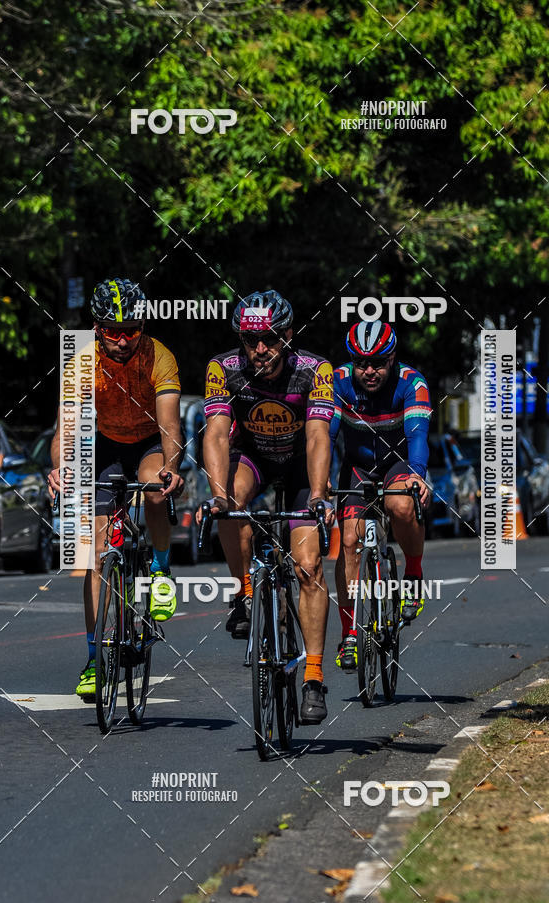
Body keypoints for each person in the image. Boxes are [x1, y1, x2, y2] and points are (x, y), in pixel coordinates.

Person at [197, 290, 335, 724]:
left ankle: (313, 677)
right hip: (253, 458)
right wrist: (218, 494)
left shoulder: (315, 370)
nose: (260, 349)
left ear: (288, 336)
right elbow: (217, 434)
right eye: (251, 339)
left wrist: (317, 494)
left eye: (271, 339)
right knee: (227, 505)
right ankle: (244, 592)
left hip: (300, 467)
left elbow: (316, 435)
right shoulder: (223, 368)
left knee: (308, 567)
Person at [47, 277, 184, 698]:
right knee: (95, 551)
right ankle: (93, 659)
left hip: (147, 442)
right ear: (96, 327)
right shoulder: (82, 362)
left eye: (131, 331)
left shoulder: (159, 356)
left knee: (154, 488)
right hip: (105, 444)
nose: (123, 341)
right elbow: (64, 432)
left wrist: (172, 467)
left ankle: (160, 572)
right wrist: (59, 468)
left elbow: (170, 428)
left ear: (142, 328)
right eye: (112, 331)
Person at [330, 321, 431, 672]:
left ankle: (414, 576)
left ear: (393, 359)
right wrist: (322, 487)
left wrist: (417, 475)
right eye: (361, 363)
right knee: (349, 541)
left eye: (378, 363)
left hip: (398, 464)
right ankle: (349, 635)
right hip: (357, 468)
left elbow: (418, 434)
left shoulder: (412, 383)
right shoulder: (337, 381)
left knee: (401, 504)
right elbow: (325, 439)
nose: (369, 371)